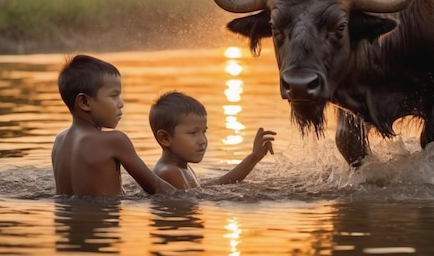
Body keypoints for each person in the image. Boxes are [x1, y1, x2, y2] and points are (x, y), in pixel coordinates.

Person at [52, 54, 176, 197]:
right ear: (85, 102)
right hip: (103, 217)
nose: (121, 104)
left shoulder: (59, 141)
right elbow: (158, 189)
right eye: (114, 96)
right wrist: (197, 196)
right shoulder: (114, 140)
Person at [149, 91, 276, 189]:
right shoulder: (170, 172)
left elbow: (218, 184)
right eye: (193, 133)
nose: (202, 140)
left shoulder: (181, 167)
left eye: (203, 132)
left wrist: (254, 157)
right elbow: (194, 201)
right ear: (164, 138)